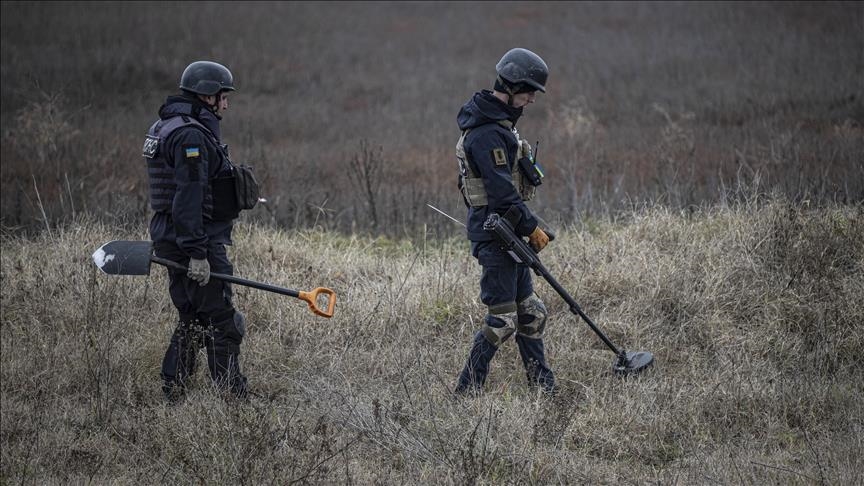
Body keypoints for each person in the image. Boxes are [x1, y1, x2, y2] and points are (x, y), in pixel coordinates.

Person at [143, 60, 250, 402]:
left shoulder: (166, 125)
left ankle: (173, 391)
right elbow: (189, 196)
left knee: (192, 317)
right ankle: (231, 398)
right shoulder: (190, 135)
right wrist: (198, 253)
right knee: (223, 320)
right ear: (207, 96)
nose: (226, 104)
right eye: (223, 96)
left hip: (170, 235)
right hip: (192, 237)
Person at [454, 48, 555, 395]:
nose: (531, 100)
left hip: (509, 234)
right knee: (502, 321)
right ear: (511, 87)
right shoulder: (487, 134)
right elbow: (501, 195)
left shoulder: (501, 126)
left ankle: (543, 389)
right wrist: (532, 227)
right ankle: (466, 391)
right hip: (494, 236)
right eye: (528, 92)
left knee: (531, 313)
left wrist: (526, 227)